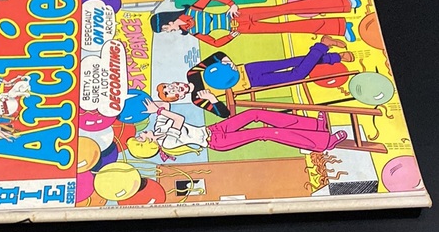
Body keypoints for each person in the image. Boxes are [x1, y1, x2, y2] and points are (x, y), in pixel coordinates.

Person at [156, 35, 354, 118]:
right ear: (179, 97)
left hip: (249, 68)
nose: (175, 89)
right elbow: (225, 114)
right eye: (173, 93)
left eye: (171, 86)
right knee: (297, 74)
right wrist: (213, 99)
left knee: (291, 62)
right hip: (253, 82)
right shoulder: (197, 99)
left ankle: (334, 55)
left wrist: (226, 60)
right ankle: (325, 47)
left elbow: (217, 56)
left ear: (174, 82)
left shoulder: (192, 73)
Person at [126, 100, 347, 161]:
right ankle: (321, 143)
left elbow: (166, 106)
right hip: (217, 141)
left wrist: (152, 107)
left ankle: (314, 126)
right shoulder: (167, 143)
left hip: (213, 129)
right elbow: (179, 118)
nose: (141, 133)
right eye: (140, 137)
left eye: (139, 134)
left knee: (255, 114)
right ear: (148, 144)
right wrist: (159, 111)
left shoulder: (158, 126)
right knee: (263, 133)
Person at [149, 0, 361, 46]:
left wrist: (231, 4)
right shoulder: (193, 32)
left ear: (168, 21)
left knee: (286, 9)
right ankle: (340, 27)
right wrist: (232, 35)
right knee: (287, 27)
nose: (169, 31)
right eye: (166, 32)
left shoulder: (193, 11)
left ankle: (344, 3)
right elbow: (215, 43)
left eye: (166, 29)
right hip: (241, 28)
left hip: (241, 14)